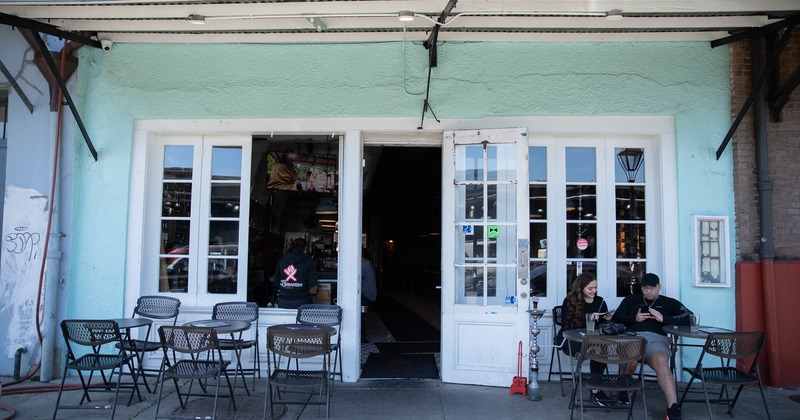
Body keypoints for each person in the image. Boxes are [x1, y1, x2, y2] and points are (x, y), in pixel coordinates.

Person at [611, 272, 693, 420]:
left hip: (656, 340)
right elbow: (616, 317)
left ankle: (673, 408)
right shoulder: (631, 300)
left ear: (659, 287)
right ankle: (625, 384)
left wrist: (664, 318)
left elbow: (690, 317)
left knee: (661, 359)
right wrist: (634, 318)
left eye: (652, 288)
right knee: (631, 357)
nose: (648, 291)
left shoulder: (669, 303)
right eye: (645, 288)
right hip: (633, 338)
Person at [556, 272, 615, 407]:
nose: (594, 291)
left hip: (593, 338)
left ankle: (596, 390)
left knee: (601, 348)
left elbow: (603, 327)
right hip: (571, 338)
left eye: (595, 287)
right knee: (596, 349)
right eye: (590, 288)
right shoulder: (570, 300)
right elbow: (568, 325)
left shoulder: (600, 301)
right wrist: (588, 317)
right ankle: (596, 390)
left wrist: (607, 319)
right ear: (580, 288)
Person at [273, 238, 319, 309]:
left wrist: (287, 286)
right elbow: (312, 283)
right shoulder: (309, 261)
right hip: (302, 300)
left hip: (283, 300)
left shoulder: (282, 260)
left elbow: (276, 281)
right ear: (305, 248)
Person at [267, 153, 300, 233]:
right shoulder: (288, 166)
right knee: (277, 210)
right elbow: (296, 178)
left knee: (276, 209)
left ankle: (273, 226)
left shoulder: (277, 166)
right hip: (284, 188)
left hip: (273, 187)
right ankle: (274, 227)